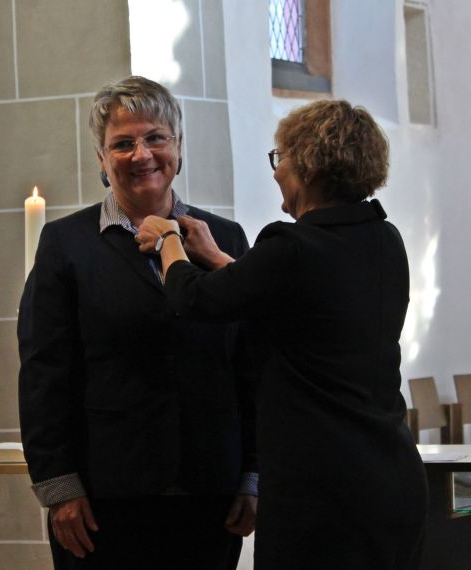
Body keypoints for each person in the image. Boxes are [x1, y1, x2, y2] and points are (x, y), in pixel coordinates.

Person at [137, 99, 428, 570]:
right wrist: (217, 257)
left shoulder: (290, 245)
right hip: (389, 478)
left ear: (307, 167)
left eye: (281, 158)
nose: (276, 172)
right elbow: (299, 303)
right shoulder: (383, 238)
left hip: (322, 489)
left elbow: (194, 300)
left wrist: (169, 239)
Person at [18, 76, 258, 569]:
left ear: (178, 146)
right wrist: (59, 486)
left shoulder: (226, 239)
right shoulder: (67, 244)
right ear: (102, 161)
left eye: (155, 138)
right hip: (104, 497)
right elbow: (44, 373)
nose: (141, 154)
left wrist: (255, 474)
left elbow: (252, 366)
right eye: (122, 144)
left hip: (210, 489)